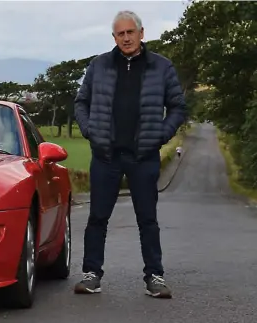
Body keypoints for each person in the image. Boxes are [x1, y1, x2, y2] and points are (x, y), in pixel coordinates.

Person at [73, 10, 187, 299]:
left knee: (147, 219)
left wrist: (159, 136)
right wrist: (90, 131)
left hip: (143, 157)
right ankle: (91, 274)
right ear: (114, 37)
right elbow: (81, 102)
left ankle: (155, 277)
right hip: (106, 156)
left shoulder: (161, 67)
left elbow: (177, 107)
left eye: (130, 32)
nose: (126, 38)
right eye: (120, 34)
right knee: (97, 218)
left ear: (141, 33)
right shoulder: (98, 66)